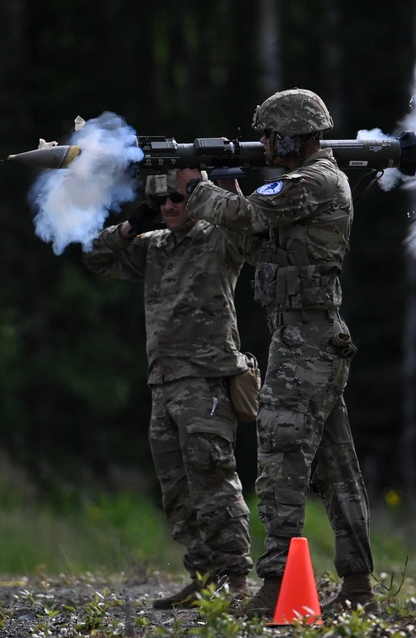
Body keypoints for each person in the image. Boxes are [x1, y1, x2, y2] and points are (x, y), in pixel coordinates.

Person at [175, 88, 375, 617]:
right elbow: (257, 236)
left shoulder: (313, 180)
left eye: (270, 134)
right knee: (335, 466)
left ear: (294, 134)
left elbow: (243, 216)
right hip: (305, 337)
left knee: (281, 459)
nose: (263, 143)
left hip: (307, 342)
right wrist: (222, 197)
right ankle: (357, 588)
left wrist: (196, 187)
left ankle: (276, 586)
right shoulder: (306, 184)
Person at [82, 171, 255, 609]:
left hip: (206, 379)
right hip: (164, 383)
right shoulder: (153, 246)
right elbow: (95, 257)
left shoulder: (217, 238)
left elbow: (250, 227)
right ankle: (203, 577)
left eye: (178, 198)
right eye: (161, 202)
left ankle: (235, 581)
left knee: (213, 478)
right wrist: (129, 227)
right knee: (176, 489)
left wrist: (207, 190)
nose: (170, 208)